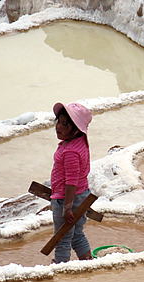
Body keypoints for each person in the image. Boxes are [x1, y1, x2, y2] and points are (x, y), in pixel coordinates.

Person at [50, 101, 93, 263]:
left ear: (76, 129)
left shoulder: (71, 152)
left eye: (64, 124)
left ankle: (61, 268)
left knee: (62, 237)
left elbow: (71, 182)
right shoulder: (80, 142)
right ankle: (87, 260)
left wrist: (67, 207)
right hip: (81, 196)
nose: (59, 127)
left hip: (67, 199)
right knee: (76, 233)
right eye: (59, 122)